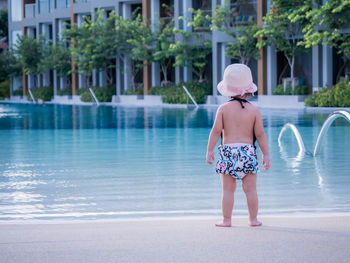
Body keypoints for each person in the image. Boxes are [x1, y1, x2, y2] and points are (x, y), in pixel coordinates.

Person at [206, 64, 270, 227]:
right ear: (248, 89)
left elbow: (215, 132)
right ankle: (253, 220)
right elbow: (260, 135)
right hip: (247, 153)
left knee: (228, 190)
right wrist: (266, 155)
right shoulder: (254, 111)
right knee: (250, 190)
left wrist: (209, 150)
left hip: (228, 152)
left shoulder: (223, 109)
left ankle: (227, 220)